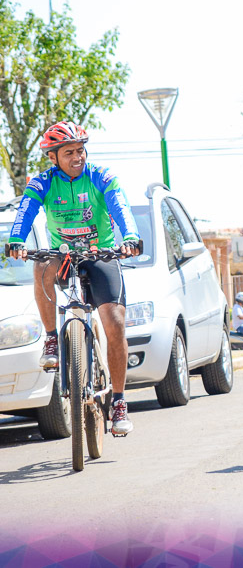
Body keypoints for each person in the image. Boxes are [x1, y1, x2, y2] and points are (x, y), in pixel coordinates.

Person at [6, 121, 142, 436]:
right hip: (63, 254)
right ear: (54, 158)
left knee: (114, 321)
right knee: (40, 266)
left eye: (81, 150)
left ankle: (119, 403)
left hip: (101, 252)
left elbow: (120, 207)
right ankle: (52, 338)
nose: (77, 157)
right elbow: (25, 212)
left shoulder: (101, 177)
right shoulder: (42, 182)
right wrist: (16, 240)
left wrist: (131, 236)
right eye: (69, 152)